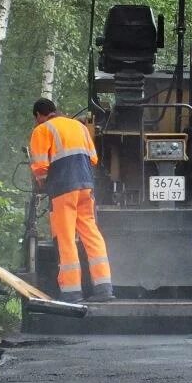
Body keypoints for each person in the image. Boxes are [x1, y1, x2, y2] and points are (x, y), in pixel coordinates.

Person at [29, 98, 115, 303]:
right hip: (86, 186)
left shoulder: (42, 130)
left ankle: (72, 291)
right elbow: (93, 158)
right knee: (91, 233)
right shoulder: (80, 127)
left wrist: (42, 184)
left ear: (39, 115)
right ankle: (104, 288)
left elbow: (40, 167)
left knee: (66, 238)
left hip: (62, 189)